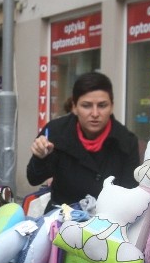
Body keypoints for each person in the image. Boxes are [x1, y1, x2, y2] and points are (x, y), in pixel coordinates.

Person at [27, 72, 141, 208]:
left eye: (102, 105)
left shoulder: (126, 141)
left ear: (112, 107)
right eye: (86, 105)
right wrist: (40, 158)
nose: (95, 113)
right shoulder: (56, 132)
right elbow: (33, 179)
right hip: (61, 218)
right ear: (74, 107)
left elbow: (130, 194)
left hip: (106, 222)